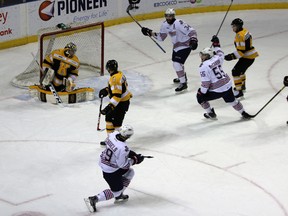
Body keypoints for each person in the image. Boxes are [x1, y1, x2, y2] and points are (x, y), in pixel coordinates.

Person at [84, 125, 145, 213]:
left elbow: (115, 149)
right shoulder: (123, 148)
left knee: (130, 172)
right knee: (116, 191)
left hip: (104, 162)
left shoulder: (112, 135)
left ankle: (119, 195)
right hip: (111, 171)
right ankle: (94, 199)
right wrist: (135, 160)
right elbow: (123, 165)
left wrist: (130, 153)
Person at [141, 8, 198, 92]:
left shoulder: (179, 23)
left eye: (170, 16)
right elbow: (161, 37)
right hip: (176, 47)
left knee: (176, 64)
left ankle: (183, 83)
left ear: (173, 16)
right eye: (167, 16)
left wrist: (194, 40)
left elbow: (192, 31)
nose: (168, 18)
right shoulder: (165, 25)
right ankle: (182, 77)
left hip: (186, 45)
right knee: (179, 64)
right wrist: (149, 32)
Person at [196, 35, 252, 119]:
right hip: (228, 85)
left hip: (217, 90)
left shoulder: (203, 66)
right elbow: (220, 52)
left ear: (208, 56)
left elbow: (206, 83)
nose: (202, 57)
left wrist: (202, 93)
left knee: (200, 97)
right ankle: (243, 112)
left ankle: (210, 113)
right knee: (232, 101)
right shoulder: (217, 58)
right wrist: (216, 43)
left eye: (203, 55)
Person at [98, 60, 132, 145]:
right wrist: (107, 90)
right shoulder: (119, 74)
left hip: (120, 103)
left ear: (107, 68)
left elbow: (117, 96)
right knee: (109, 118)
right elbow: (119, 89)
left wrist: (109, 107)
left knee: (116, 122)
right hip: (122, 102)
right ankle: (111, 140)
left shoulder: (115, 78)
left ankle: (115, 141)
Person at [224, 18, 259, 98]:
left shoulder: (239, 35)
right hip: (250, 56)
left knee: (235, 71)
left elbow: (241, 52)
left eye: (234, 26)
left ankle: (239, 92)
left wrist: (230, 56)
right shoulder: (245, 31)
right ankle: (242, 87)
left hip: (247, 57)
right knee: (241, 71)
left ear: (238, 26)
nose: (233, 28)